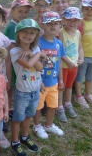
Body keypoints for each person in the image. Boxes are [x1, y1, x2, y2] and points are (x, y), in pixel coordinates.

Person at [10, 19, 44, 156]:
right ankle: (15, 142)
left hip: (35, 91)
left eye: (32, 33)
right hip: (22, 92)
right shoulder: (15, 51)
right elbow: (29, 65)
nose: (28, 35)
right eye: (24, 32)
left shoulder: (35, 49)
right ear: (18, 34)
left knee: (28, 115)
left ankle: (24, 137)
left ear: (36, 36)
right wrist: (39, 55)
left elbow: (40, 68)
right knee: (18, 118)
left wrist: (35, 54)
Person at [33, 11, 65, 139]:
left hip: (53, 82)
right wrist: (38, 80)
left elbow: (60, 62)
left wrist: (61, 79)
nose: (53, 26)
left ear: (59, 26)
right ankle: (36, 125)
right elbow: (35, 63)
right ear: (43, 26)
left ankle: (49, 124)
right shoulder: (38, 43)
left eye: (56, 24)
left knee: (53, 105)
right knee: (38, 106)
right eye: (49, 24)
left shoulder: (59, 43)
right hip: (40, 82)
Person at [4, 0, 33, 118]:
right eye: (20, 11)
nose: (23, 14)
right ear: (12, 11)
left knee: (15, 85)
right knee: (10, 87)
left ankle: (11, 106)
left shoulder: (20, 25)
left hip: (18, 62)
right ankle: (8, 108)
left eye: (26, 12)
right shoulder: (12, 27)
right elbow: (10, 49)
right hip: (11, 62)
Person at [56, 7, 84, 122]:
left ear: (79, 21)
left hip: (74, 66)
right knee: (61, 87)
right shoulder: (61, 32)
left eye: (75, 20)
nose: (72, 23)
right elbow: (59, 51)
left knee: (69, 86)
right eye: (69, 20)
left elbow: (80, 48)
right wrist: (67, 61)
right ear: (64, 20)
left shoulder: (78, 33)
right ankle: (59, 107)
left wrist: (81, 58)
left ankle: (68, 104)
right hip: (63, 66)